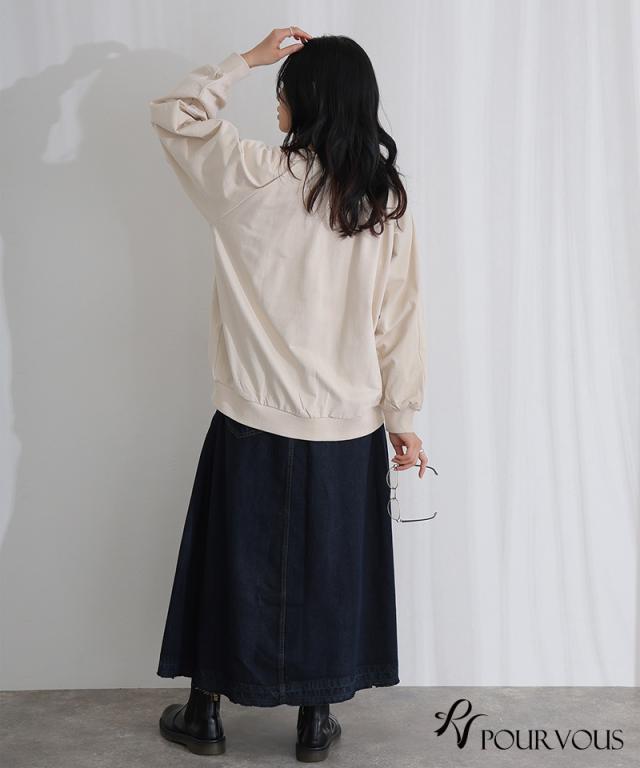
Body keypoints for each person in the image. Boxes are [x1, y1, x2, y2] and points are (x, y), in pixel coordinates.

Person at [148, 26, 429, 762]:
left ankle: (205, 712)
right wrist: (402, 417)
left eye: (283, 90)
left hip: (252, 417)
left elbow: (174, 113)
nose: (275, 102)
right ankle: (314, 719)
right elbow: (399, 319)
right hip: (347, 426)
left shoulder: (251, 175)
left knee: (230, 566)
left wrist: (246, 59)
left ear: (304, 99)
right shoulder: (382, 201)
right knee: (330, 574)